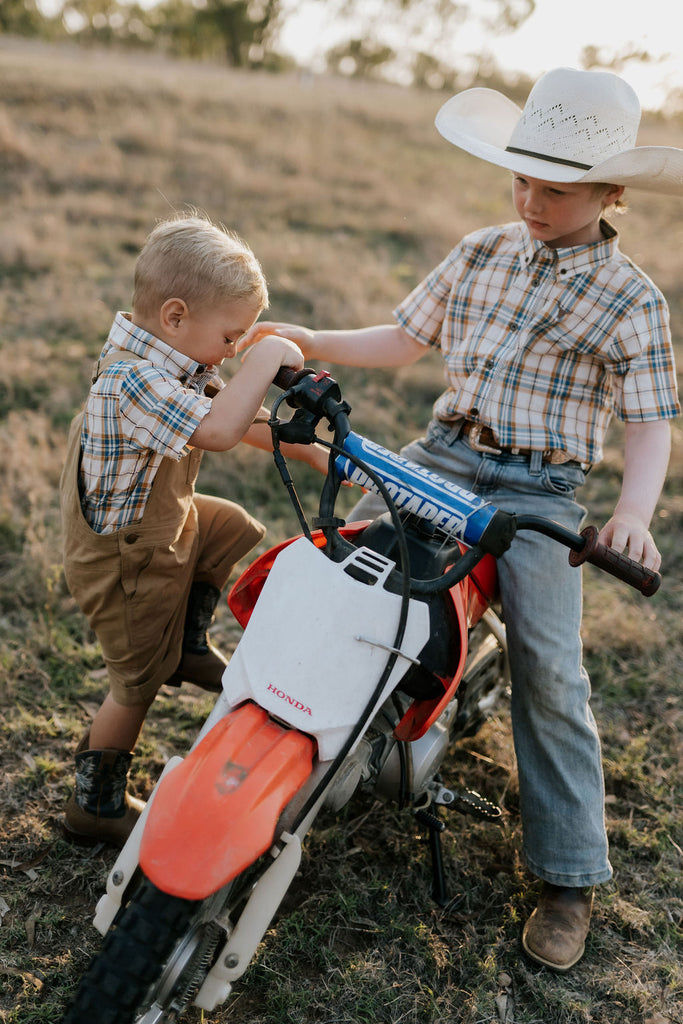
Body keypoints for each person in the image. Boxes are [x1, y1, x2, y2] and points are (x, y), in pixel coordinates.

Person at [237, 68, 682, 971]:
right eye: (522, 179)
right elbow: (404, 341)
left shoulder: (632, 301)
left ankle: (566, 874)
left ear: (609, 193)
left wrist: (633, 513)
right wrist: (312, 342)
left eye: (555, 190)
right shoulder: (480, 251)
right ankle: (290, 740)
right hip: (437, 455)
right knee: (338, 575)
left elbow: (649, 422)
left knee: (551, 673)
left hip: (533, 490)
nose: (531, 200)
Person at [60, 214, 326, 848]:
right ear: (175, 315)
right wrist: (262, 357)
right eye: (231, 336)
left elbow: (231, 414)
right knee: (134, 685)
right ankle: (93, 806)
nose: (235, 349)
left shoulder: (170, 352)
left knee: (227, 523)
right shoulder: (135, 378)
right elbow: (215, 431)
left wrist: (315, 452)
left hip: (159, 528)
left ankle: (185, 642)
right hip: (125, 560)